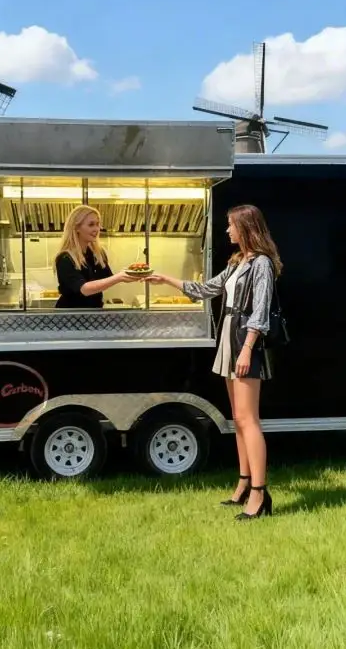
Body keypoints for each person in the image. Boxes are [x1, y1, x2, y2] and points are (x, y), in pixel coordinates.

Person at [147, 203, 280, 520]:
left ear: (246, 228)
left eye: (231, 225)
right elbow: (205, 289)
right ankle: (244, 484)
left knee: (249, 419)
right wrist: (165, 279)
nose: (227, 230)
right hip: (229, 337)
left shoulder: (260, 264)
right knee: (238, 418)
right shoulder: (237, 262)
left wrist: (248, 348)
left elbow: (260, 314)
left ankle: (260, 496)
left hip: (244, 339)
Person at [55, 205, 140, 309]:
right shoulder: (65, 258)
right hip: (70, 317)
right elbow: (85, 289)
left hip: (94, 313)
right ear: (76, 228)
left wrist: (129, 273)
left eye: (97, 224)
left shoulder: (97, 254)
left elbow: (108, 279)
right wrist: (119, 277)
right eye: (91, 225)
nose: (97, 229)